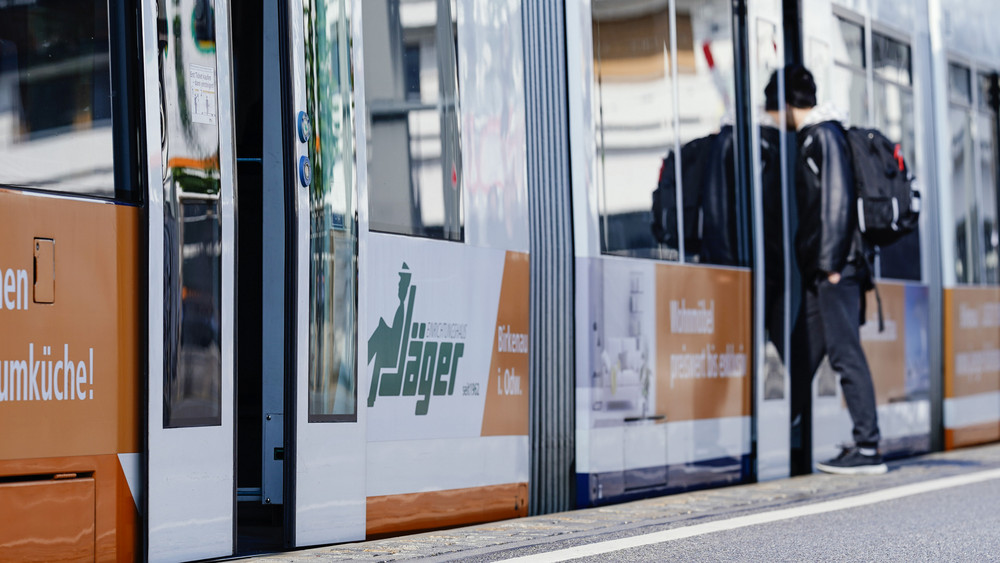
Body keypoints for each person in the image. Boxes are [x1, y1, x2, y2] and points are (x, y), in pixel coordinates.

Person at [782, 64, 886, 475]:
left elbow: (837, 202)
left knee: (845, 353)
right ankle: (780, 428)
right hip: (825, 267)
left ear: (786, 103)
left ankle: (868, 446)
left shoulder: (822, 135)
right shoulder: (820, 135)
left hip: (835, 267)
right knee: (802, 351)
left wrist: (829, 265)